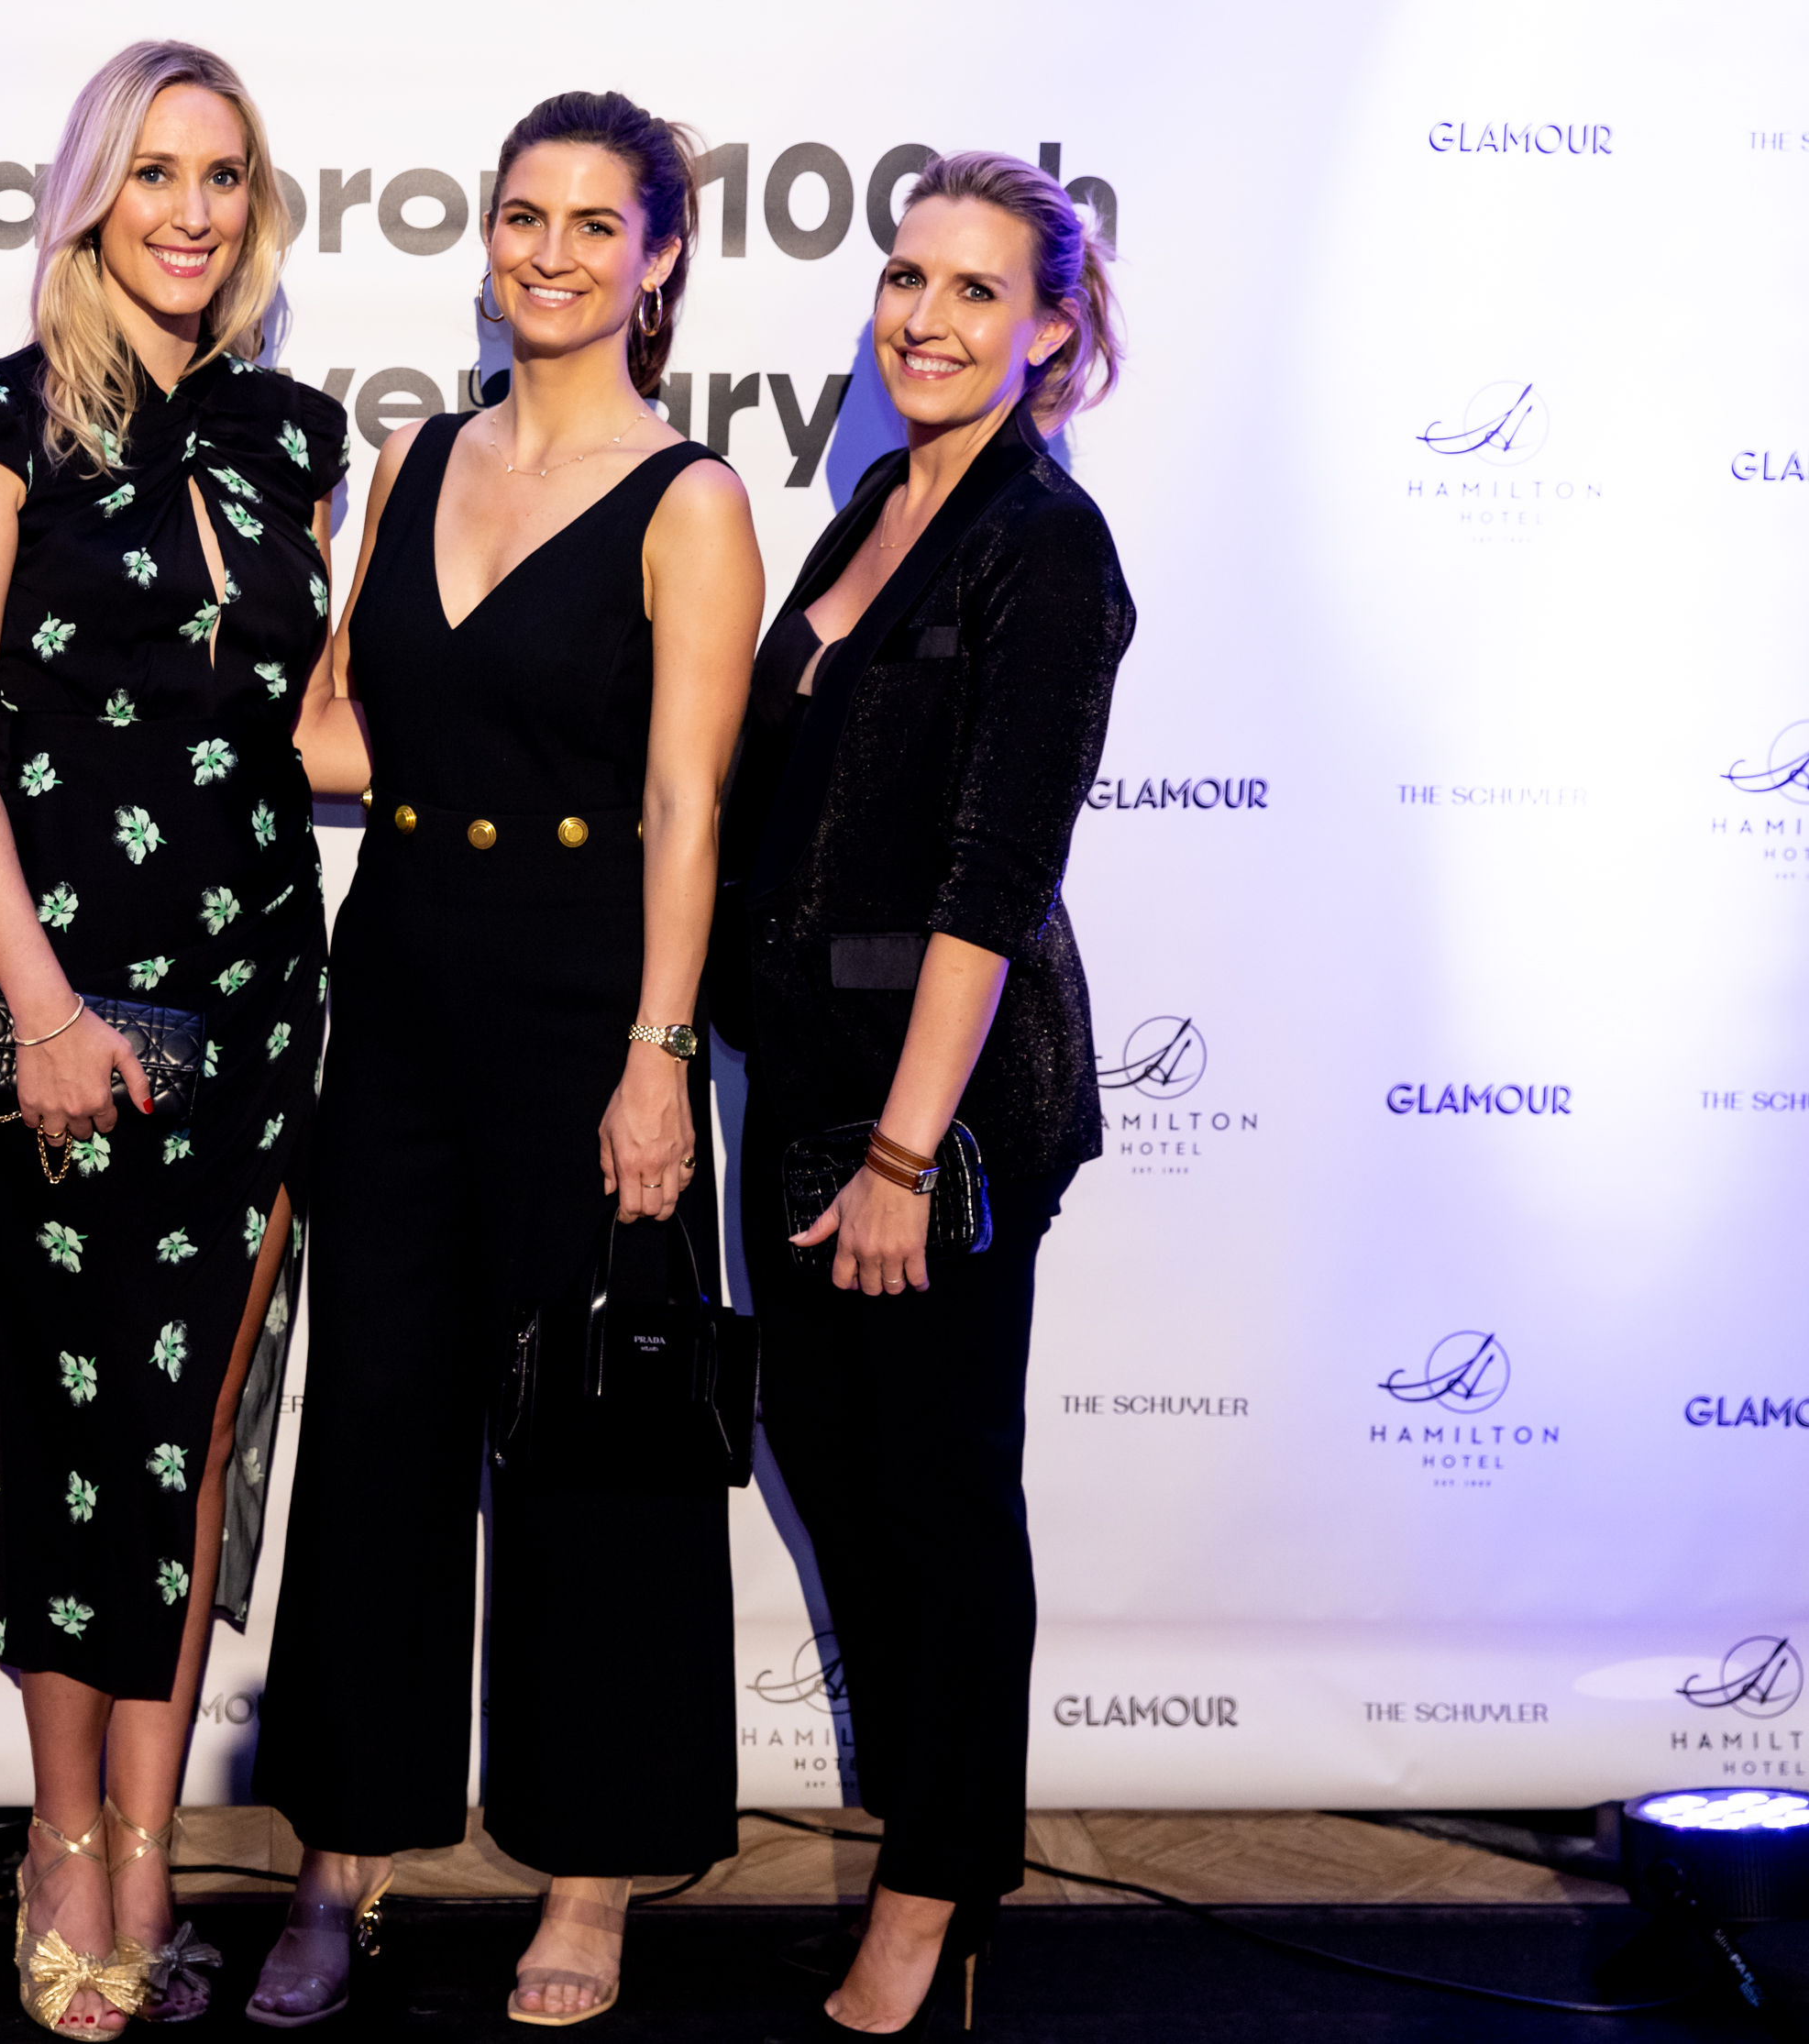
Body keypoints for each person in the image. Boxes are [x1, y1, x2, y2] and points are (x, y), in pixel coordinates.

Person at [248, 91, 762, 2030]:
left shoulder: (688, 494)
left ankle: (591, 1872)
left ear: (658, 261)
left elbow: (686, 802)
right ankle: (341, 1852)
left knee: (594, 1445)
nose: (549, 251)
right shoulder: (413, 455)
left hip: (585, 1002)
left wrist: (657, 1052)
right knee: (377, 1426)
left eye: (593, 224)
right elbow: (333, 737)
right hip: (395, 988)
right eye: (521, 215)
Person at [0, 40, 342, 2035]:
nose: (189, 209)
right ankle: (63, 1841)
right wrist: (46, 1009)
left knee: (187, 1447)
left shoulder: (294, 433)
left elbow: (305, 730)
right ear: (90, 192)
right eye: (154, 171)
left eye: (223, 176)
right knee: (62, 1440)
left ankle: (152, 1858)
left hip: (255, 999)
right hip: (50, 1004)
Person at [713, 149, 1131, 2033]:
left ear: (1051, 331)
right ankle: (930, 1835)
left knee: (938, 1491)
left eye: (976, 292)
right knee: (830, 1451)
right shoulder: (879, 495)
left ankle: (940, 1883)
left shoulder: (1048, 545)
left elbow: (991, 869)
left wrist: (902, 1148)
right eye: (907, 280)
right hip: (797, 1074)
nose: (926, 319)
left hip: (939, 1110)